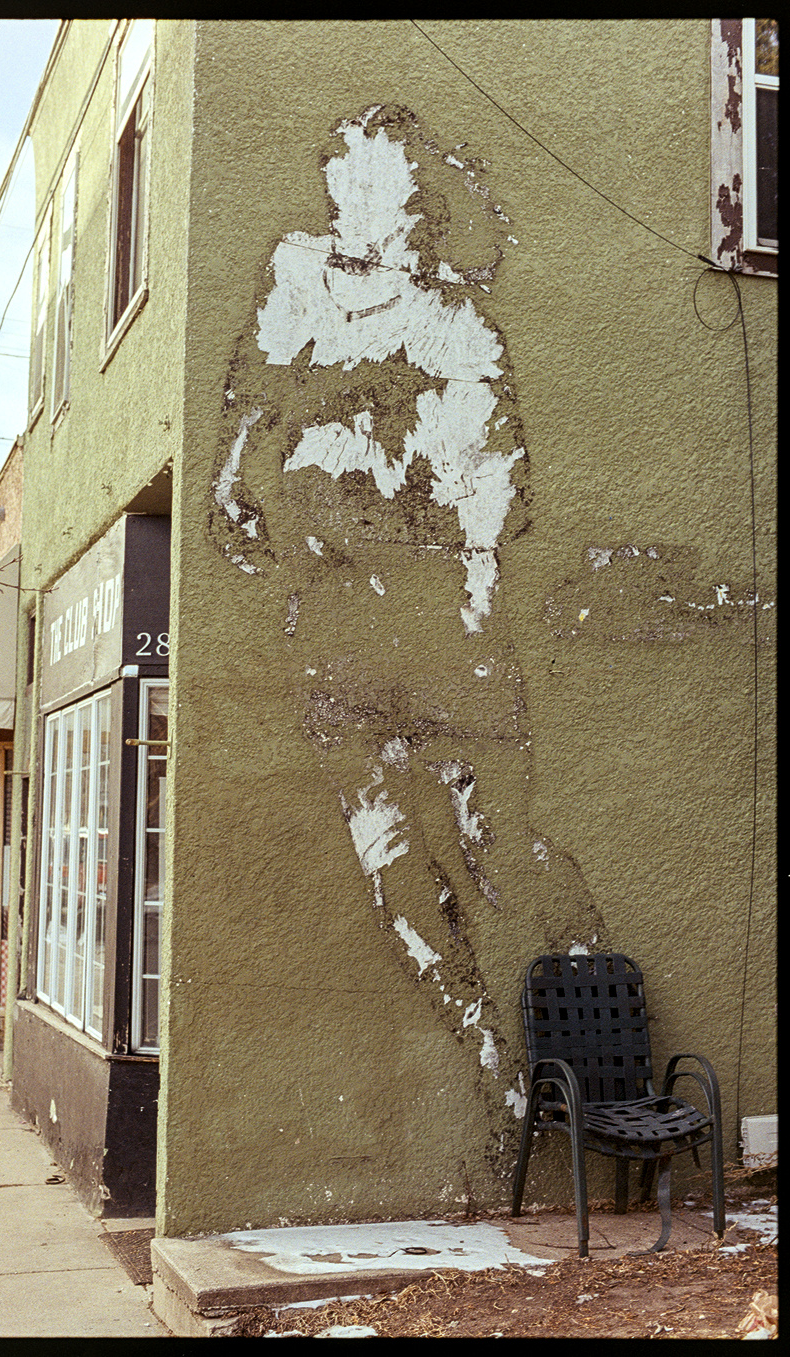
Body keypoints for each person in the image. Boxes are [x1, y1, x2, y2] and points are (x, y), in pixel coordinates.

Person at [210, 104, 604, 1088]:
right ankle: (489, 1054)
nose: (345, 195)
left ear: (412, 202)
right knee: (387, 855)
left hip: (444, 629)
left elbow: (497, 495)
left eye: (369, 179)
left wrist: (390, 483)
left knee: (492, 848)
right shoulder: (296, 276)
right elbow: (251, 397)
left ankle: (588, 975)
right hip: (332, 629)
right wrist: (231, 482)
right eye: (338, 175)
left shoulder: (457, 326)